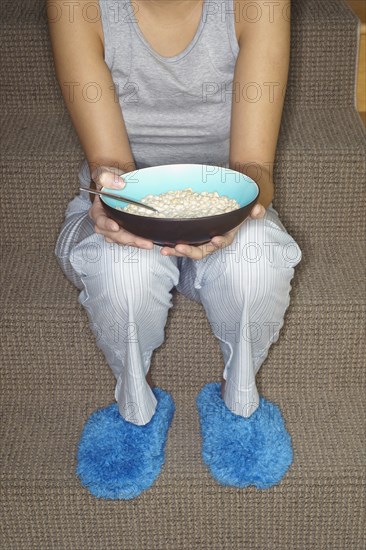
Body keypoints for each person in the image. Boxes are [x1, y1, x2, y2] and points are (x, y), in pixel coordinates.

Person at [48, 0, 302, 499]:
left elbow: (254, 167)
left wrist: (238, 210)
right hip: (120, 207)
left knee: (259, 261)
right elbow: (111, 165)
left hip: (225, 203)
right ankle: (133, 410)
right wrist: (107, 201)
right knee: (122, 269)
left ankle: (241, 403)